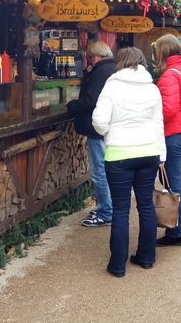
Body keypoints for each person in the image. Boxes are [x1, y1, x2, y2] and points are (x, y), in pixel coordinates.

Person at [91, 48, 165, 277]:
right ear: (142, 63)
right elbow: (158, 123)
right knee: (145, 205)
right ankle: (146, 257)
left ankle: (118, 265)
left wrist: (110, 133)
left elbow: (99, 121)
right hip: (149, 152)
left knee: (121, 209)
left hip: (119, 154)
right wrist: (161, 154)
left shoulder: (112, 86)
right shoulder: (152, 88)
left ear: (121, 62)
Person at [67, 41, 116, 228]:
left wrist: (72, 107)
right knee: (106, 169)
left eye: (89, 57)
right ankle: (108, 207)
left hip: (97, 128)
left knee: (99, 172)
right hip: (108, 127)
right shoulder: (113, 69)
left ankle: (105, 212)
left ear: (96, 56)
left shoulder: (100, 72)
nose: (88, 61)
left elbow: (91, 100)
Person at [155, 34, 181, 246]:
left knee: (172, 181)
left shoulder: (169, 75)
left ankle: (178, 231)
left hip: (173, 131)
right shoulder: (180, 70)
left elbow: (168, 110)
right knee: (172, 180)